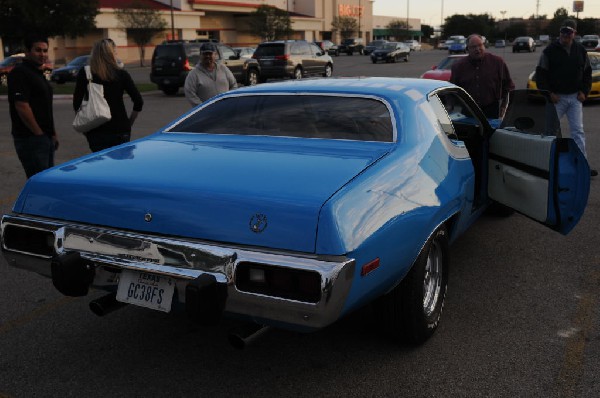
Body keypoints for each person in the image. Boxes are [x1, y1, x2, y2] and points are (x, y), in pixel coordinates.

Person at [536, 19, 596, 177]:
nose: (565, 35)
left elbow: (587, 73)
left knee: (578, 132)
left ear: (574, 33)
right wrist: (549, 93)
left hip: (575, 98)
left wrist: (584, 91)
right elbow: (540, 75)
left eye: (569, 32)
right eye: (563, 31)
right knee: (550, 132)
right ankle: (547, 167)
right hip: (556, 99)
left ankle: (583, 166)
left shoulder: (581, 51)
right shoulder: (549, 51)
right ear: (559, 32)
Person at [73, 38, 143, 152]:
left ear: (94, 53)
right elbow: (138, 101)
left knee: (102, 167)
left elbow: (77, 103)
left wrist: (85, 128)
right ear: (112, 53)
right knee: (120, 167)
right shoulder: (121, 74)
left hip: (95, 129)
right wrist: (129, 122)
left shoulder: (85, 73)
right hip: (120, 129)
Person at [7, 36, 59, 178]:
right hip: (30, 139)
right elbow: (22, 106)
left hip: (45, 138)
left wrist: (52, 134)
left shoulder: (38, 73)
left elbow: (45, 107)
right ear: (27, 51)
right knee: (39, 184)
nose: (42, 54)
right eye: (38, 50)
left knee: (46, 183)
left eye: (45, 50)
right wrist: (39, 134)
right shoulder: (20, 73)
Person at [450, 34, 515, 119]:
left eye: (480, 45)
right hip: (468, 113)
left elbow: (509, 87)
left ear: (484, 45)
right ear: (467, 49)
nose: (477, 49)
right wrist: (449, 107)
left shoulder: (498, 62)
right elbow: (452, 91)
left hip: (492, 111)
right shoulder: (458, 66)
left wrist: (504, 107)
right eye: (473, 47)